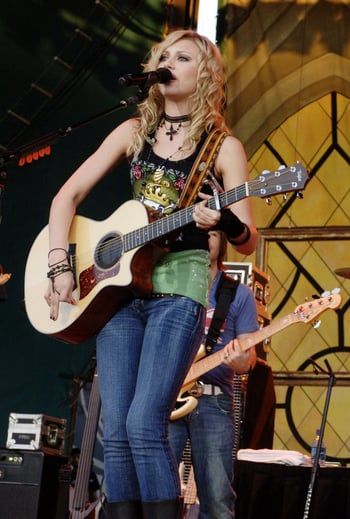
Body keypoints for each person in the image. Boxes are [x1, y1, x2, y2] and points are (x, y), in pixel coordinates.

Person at [45, 30, 259, 518]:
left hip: (178, 287)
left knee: (144, 422)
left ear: (203, 74)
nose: (168, 63)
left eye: (181, 57)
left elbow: (249, 236)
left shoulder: (223, 147)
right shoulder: (132, 130)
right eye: (163, 56)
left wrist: (222, 219)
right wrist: (61, 267)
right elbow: (65, 199)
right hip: (121, 291)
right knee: (115, 429)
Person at [170, 229, 259, 518]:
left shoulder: (238, 294)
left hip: (213, 400)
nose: (205, 239)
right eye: (198, 232)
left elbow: (249, 362)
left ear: (222, 242)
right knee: (155, 491)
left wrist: (238, 360)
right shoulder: (169, 285)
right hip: (166, 397)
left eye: (212, 233)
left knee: (218, 499)